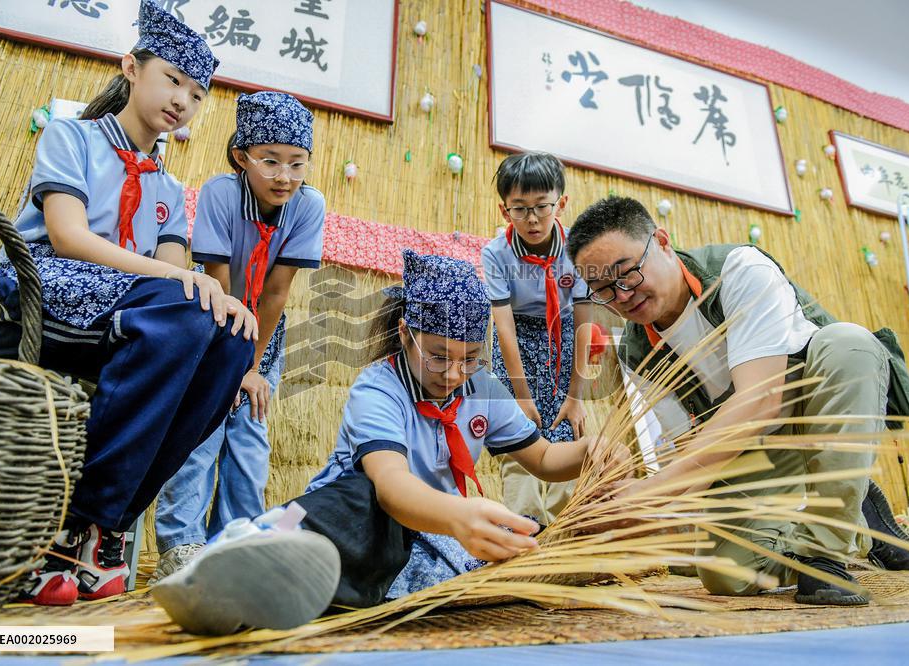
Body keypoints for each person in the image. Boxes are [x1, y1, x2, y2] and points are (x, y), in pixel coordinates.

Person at [153, 249, 622, 635]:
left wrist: (589, 451)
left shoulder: (483, 389)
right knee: (356, 501)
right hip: (351, 522)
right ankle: (238, 560)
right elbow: (392, 486)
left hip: (428, 539)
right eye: (438, 356)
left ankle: (284, 594)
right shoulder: (379, 387)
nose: (455, 374)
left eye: (471, 358)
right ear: (405, 334)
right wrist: (460, 515)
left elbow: (541, 456)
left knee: (526, 542)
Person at [0, 0, 256, 606]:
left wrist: (217, 296)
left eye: (196, 92)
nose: (182, 99)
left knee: (234, 337)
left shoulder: (166, 187)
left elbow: (176, 280)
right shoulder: (72, 136)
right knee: (189, 304)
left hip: (125, 316)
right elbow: (68, 237)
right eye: (172, 80)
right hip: (43, 294)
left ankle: (100, 528)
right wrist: (190, 283)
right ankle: (78, 520)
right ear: (131, 69)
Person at [566, 196, 909, 606]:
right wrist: (636, 507)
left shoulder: (739, 270)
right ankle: (860, 523)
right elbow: (688, 452)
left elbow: (760, 400)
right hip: (752, 449)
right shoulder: (636, 352)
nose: (622, 295)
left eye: (626, 274)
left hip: (814, 413)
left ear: (662, 242)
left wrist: (654, 493)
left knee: (847, 344)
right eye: (603, 290)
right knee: (724, 575)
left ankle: (825, 555)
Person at [151, 91, 326, 582]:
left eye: (297, 163)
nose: (284, 176)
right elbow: (217, 279)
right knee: (201, 433)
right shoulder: (220, 194)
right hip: (209, 322)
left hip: (262, 334)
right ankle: (180, 547)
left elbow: (276, 290)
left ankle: (236, 544)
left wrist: (250, 368)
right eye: (270, 161)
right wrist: (229, 365)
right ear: (241, 157)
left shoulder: (309, 205)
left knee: (249, 437)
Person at [481, 152, 593, 525]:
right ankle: (525, 526)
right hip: (517, 340)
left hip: (561, 339)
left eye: (542, 207)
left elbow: (581, 325)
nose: (532, 219)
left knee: (567, 429)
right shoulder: (496, 254)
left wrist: (575, 397)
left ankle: (566, 527)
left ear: (561, 203)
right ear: (504, 211)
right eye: (520, 209)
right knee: (518, 433)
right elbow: (504, 329)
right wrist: (523, 397)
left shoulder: (578, 250)